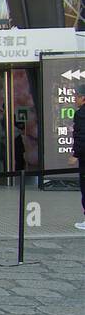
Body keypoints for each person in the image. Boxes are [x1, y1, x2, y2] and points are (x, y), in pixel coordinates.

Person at [73, 93, 85, 230]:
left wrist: (76, 154)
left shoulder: (81, 114)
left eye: (78, 96)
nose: (75, 99)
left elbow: (81, 135)